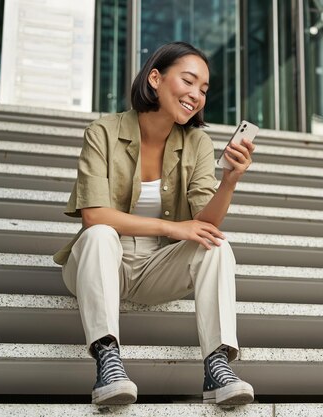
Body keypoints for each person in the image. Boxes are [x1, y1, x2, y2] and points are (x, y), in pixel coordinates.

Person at [52, 42, 256, 406]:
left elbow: (204, 225)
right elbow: (94, 216)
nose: (196, 95)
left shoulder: (197, 143)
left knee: (216, 245)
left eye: (204, 90)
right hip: (99, 260)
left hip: (155, 269)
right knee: (100, 234)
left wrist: (229, 180)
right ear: (155, 78)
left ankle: (217, 365)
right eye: (189, 81)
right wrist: (172, 228)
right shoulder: (103, 131)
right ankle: (107, 360)